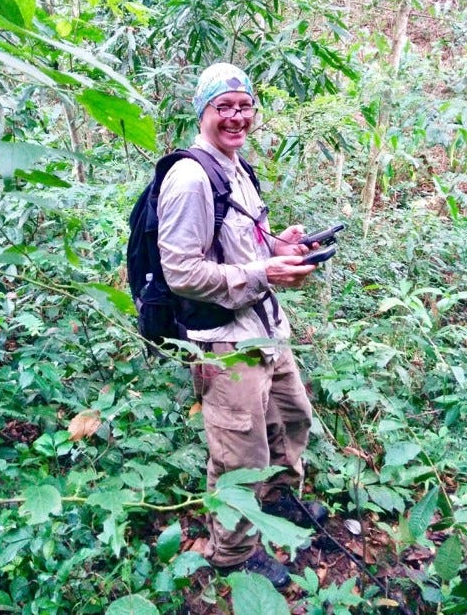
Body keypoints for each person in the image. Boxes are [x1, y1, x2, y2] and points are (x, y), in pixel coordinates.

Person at [156, 62, 327, 588]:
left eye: (244, 105)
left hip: (265, 328)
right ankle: (232, 552)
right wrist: (263, 271)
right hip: (224, 342)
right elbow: (180, 270)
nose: (236, 117)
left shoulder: (237, 167)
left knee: (292, 419)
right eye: (223, 107)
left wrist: (281, 247)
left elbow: (243, 242)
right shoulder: (189, 178)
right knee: (238, 452)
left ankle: (276, 502)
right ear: (203, 112)